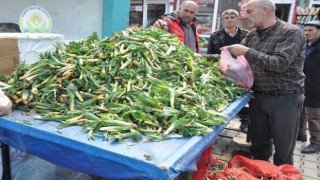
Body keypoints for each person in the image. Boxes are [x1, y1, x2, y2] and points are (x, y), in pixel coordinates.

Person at [225, 0, 305, 166]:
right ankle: (260, 171)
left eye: (249, 11)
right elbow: (235, 58)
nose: (246, 16)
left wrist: (247, 51)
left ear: (266, 10)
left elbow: (280, 64)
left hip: (285, 98)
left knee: (283, 150)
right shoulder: (253, 35)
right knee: (259, 145)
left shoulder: (290, 32)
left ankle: (283, 174)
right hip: (258, 96)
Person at [205, 9, 250, 133]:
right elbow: (210, 54)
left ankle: (244, 122)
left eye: (232, 17)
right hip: (223, 72)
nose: (229, 20)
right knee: (224, 96)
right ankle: (219, 122)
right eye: (227, 17)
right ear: (223, 20)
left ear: (237, 19)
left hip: (241, 72)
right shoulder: (216, 35)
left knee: (242, 97)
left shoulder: (246, 35)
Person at [300, 21, 320, 154]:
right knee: (301, 112)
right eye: (305, 30)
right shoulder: (303, 45)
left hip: (316, 86)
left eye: (310, 30)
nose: (306, 33)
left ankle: (316, 143)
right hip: (302, 84)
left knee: (314, 116)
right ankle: (301, 135)